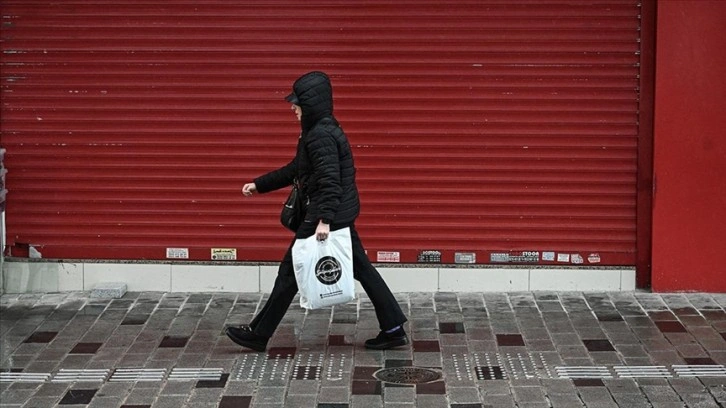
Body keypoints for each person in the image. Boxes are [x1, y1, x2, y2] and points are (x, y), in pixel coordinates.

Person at [225, 71, 408, 352]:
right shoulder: (319, 129)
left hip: (327, 215)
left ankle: (259, 334)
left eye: (296, 103)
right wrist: (260, 185)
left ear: (310, 105)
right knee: (362, 269)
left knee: (289, 272)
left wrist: (324, 220)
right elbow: (297, 169)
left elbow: (330, 181)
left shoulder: (320, 134)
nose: (292, 107)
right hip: (337, 212)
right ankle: (393, 328)